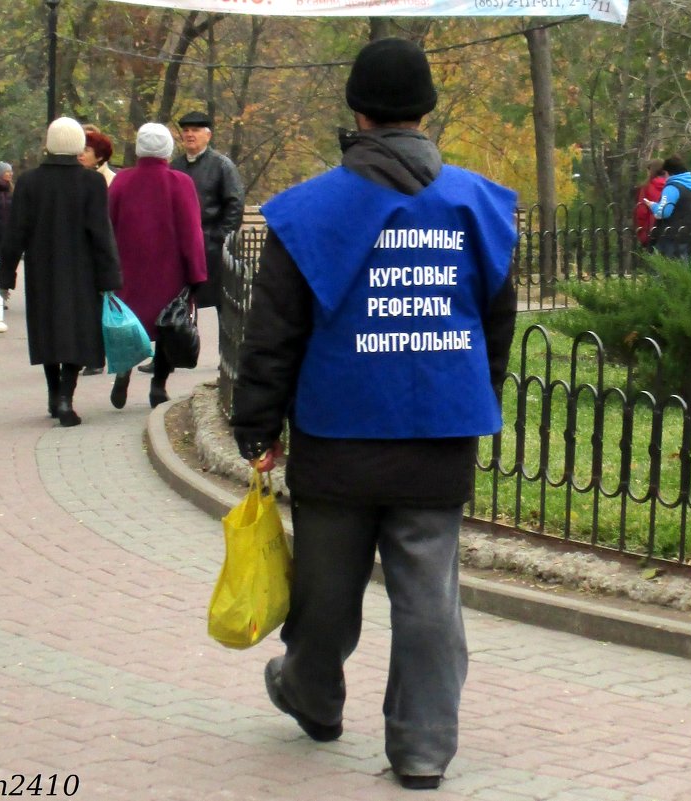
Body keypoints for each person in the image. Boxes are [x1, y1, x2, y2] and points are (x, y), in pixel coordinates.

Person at [230, 38, 518, 791]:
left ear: (356, 109)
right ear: (425, 109)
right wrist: (476, 396)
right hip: (439, 434)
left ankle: (312, 693)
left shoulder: (304, 211)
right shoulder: (479, 204)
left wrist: (258, 425)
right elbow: (494, 324)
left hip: (337, 434)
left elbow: (275, 331)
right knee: (428, 595)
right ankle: (422, 747)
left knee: (326, 590)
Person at [0, 117, 122, 427]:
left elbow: (16, 233)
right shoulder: (91, 183)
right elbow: (101, 234)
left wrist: (6, 274)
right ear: (78, 145)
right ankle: (66, 396)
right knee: (78, 334)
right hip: (82, 272)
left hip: (42, 270)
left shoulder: (28, 182)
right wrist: (110, 277)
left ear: (49, 145)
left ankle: (54, 395)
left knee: (47, 331)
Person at [107, 123, 207, 409]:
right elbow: (191, 231)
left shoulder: (122, 182)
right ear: (167, 149)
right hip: (169, 270)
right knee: (167, 324)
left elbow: (108, 225)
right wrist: (196, 272)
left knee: (130, 322)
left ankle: (124, 371)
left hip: (127, 269)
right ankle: (158, 385)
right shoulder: (180, 183)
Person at [170, 110, 244, 315]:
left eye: (195, 130)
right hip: (179, 246)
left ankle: (209, 345)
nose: (189, 135)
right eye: (186, 130)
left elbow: (235, 203)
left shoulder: (221, 166)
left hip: (209, 246)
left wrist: (218, 238)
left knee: (208, 305)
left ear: (208, 135)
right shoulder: (175, 167)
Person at [78, 129, 118, 375]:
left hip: (103, 249)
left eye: (87, 151)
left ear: (100, 156)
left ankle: (97, 356)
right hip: (82, 251)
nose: (81, 155)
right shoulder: (76, 178)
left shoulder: (111, 181)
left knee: (100, 305)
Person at [644, 154, 691, 263]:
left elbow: (664, 211)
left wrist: (652, 205)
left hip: (672, 235)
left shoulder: (672, 187)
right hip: (689, 232)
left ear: (668, 172)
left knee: (665, 270)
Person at [633, 158, 666, 251]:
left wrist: (642, 235)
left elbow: (641, 211)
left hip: (651, 229)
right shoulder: (671, 186)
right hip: (668, 229)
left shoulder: (646, 187)